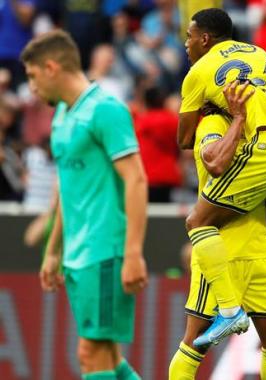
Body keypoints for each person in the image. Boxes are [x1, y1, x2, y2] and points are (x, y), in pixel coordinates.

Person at [178, 8, 266, 347]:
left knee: (198, 221)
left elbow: (184, 139)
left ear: (204, 39)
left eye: (189, 36)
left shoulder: (198, 71)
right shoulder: (260, 53)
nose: (186, 43)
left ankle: (228, 311)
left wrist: (223, 112)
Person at [21, 30, 148, 380]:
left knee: (90, 353)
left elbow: (136, 179)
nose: (31, 87)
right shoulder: (62, 115)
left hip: (105, 250)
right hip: (77, 252)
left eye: (32, 76)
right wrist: (52, 248)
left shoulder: (105, 110)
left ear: (50, 67)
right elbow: (67, 185)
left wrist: (134, 252)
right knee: (106, 354)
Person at [169, 83, 266, 380]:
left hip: (259, 249)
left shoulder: (262, 126)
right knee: (194, 344)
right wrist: (237, 119)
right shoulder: (211, 124)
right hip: (220, 250)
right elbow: (217, 163)